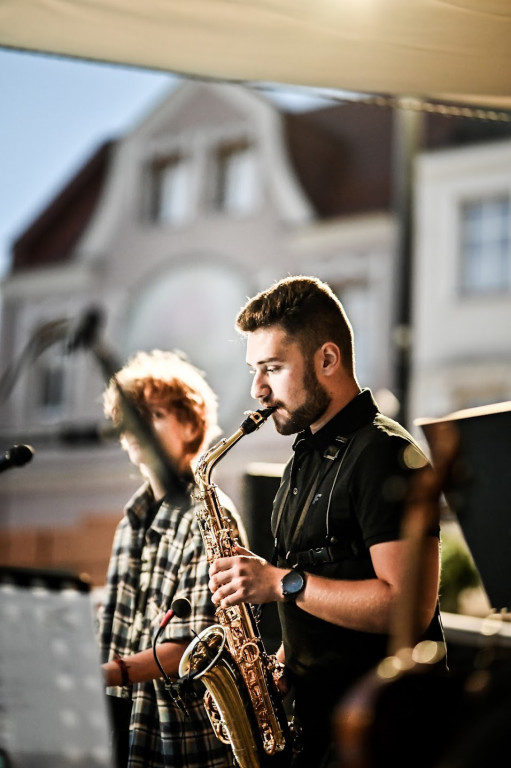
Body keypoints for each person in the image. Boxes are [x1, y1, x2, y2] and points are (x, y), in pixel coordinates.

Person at [208, 276, 445, 767]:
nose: (258, 389)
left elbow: (408, 607)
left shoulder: (384, 452)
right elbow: (326, 585)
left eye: (272, 368)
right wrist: (279, 666)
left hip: (381, 733)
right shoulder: (302, 460)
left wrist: (280, 583)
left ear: (328, 360)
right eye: (255, 370)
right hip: (320, 725)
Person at [98, 349, 242, 768]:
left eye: (155, 415)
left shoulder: (208, 515)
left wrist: (103, 674)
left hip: (182, 739)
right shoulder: (131, 519)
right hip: (125, 726)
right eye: (133, 417)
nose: (139, 428)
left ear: (190, 424)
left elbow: (189, 647)